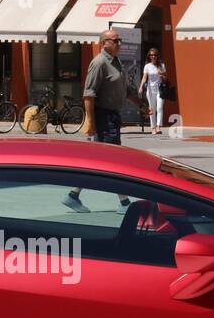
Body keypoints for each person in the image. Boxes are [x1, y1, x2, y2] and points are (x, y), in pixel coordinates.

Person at [63, 29, 127, 212]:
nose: (119, 44)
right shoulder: (99, 63)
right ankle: (124, 202)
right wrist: (91, 123)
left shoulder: (116, 62)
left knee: (98, 160)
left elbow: (124, 88)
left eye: (120, 40)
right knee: (113, 160)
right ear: (104, 42)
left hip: (112, 116)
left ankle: (73, 195)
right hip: (103, 116)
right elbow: (88, 95)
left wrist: (140, 104)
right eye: (116, 40)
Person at [138, 48, 168, 135]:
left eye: (155, 55)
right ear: (149, 56)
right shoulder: (147, 66)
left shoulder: (162, 65)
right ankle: (153, 128)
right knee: (152, 109)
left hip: (160, 89)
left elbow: (166, 78)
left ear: (157, 56)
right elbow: (144, 77)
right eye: (151, 55)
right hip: (150, 90)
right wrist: (141, 87)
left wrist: (161, 74)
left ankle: (158, 126)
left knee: (159, 108)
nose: (153, 56)